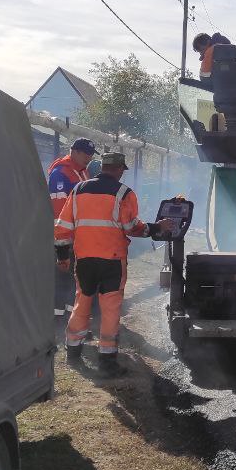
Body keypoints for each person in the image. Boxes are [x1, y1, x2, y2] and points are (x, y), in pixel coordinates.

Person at [54, 152, 174, 377]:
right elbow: (132, 227)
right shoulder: (124, 193)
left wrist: (62, 256)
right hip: (112, 260)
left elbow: (63, 226)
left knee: (82, 302)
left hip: (84, 260)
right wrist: (157, 227)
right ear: (119, 169)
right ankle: (107, 361)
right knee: (109, 308)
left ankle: (73, 353)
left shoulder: (78, 190)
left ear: (102, 167)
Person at [47, 138, 95, 317]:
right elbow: (58, 210)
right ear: (73, 151)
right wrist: (62, 243)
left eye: (90, 154)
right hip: (66, 236)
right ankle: (58, 318)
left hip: (79, 235)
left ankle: (70, 315)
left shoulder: (83, 172)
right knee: (62, 276)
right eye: (85, 153)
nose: (88, 157)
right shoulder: (61, 173)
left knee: (73, 277)